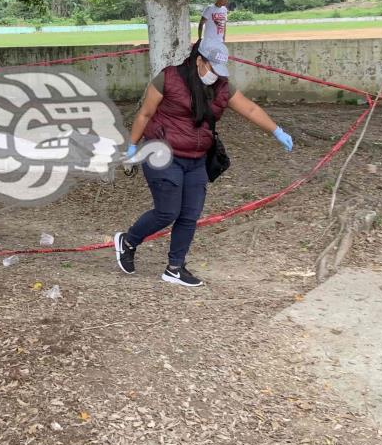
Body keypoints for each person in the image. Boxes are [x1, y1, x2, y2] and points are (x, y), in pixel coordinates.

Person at [114, 38, 294, 288]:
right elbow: (145, 113)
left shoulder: (222, 87)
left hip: (196, 158)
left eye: (221, 71)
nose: (216, 76)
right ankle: (129, 241)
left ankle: (175, 268)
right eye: (212, 69)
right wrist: (132, 146)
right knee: (167, 211)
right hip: (162, 153)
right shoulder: (168, 78)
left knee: (189, 214)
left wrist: (277, 131)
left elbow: (250, 109)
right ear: (199, 60)